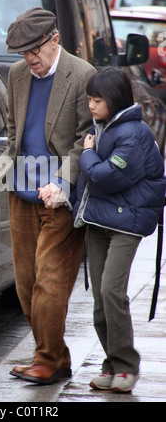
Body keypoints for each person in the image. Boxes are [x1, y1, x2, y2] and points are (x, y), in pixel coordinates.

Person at [0, 7, 96, 385]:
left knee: (49, 284)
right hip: (21, 193)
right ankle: (53, 357)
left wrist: (62, 183)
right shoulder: (18, 75)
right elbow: (12, 129)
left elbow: (85, 142)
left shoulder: (83, 75)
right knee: (25, 285)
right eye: (23, 53)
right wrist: (3, 165)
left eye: (35, 49)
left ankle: (48, 360)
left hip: (59, 199)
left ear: (55, 38)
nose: (30, 59)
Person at [73, 67, 166, 392]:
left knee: (112, 291)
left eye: (97, 100)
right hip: (100, 219)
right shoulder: (101, 126)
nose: (92, 107)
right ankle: (111, 364)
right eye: (89, 100)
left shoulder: (134, 134)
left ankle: (126, 366)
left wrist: (86, 154)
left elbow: (103, 176)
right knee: (100, 297)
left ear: (114, 100)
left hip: (128, 222)